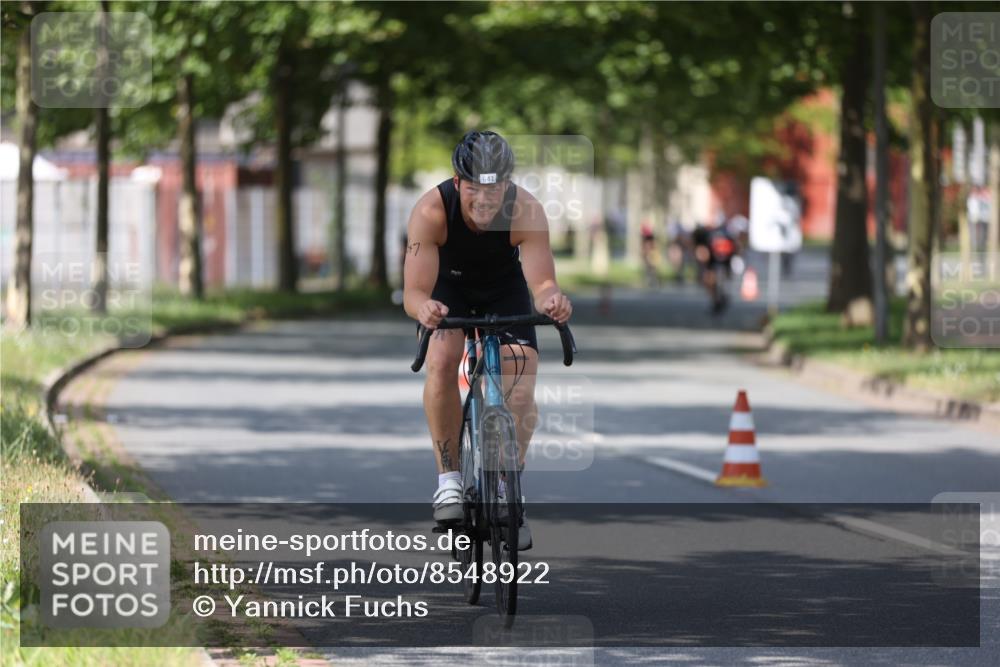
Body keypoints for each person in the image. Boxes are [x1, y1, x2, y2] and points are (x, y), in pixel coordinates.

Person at [402, 131, 572, 550]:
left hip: (503, 288)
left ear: (507, 184)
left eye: (494, 187)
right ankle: (449, 480)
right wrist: (424, 309)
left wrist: (552, 299)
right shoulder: (431, 210)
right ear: (458, 183)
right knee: (442, 358)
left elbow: (542, 281)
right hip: (449, 289)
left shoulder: (525, 209)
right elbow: (414, 292)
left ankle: (506, 484)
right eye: (474, 187)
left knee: (521, 367)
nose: (484, 198)